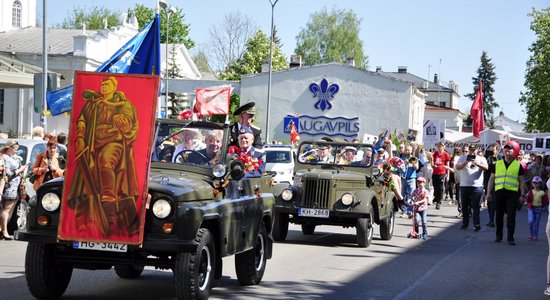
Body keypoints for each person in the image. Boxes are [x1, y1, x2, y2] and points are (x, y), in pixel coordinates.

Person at [67, 76, 140, 237]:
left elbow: (129, 122)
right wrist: (79, 138)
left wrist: (123, 123)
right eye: (102, 83)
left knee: (105, 161)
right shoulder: (93, 103)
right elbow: (82, 121)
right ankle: (87, 222)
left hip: (114, 142)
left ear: (114, 86)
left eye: (107, 84)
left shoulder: (123, 103)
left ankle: (108, 196)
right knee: (89, 177)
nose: (104, 86)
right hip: (92, 144)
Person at [485, 141, 527, 246]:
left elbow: (522, 181)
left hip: (512, 193)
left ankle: (510, 238)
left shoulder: (518, 165)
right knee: (498, 215)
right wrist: (488, 193)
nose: (507, 152)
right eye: (506, 150)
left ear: (513, 152)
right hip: (499, 192)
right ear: (503, 151)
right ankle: (499, 236)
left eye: (510, 151)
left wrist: (522, 195)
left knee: (511, 216)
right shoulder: (497, 164)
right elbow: (491, 179)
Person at [456, 144, 488, 231]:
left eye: (474, 150)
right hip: (464, 185)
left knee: (476, 206)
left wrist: (478, 164)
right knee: (465, 206)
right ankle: (465, 224)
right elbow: (457, 167)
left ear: (476, 150)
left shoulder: (481, 158)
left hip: (477, 186)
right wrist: (465, 162)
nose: (472, 151)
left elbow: (486, 168)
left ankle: (476, 224)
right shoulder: (463, 158)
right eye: (471, 150)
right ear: (468, 150)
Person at [0, 140, 28, 239]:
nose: (16, 150)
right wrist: (21, 169)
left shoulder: (10, 157)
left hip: (15, 187)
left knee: (10, 211)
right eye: (15, 148)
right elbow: (7, 174)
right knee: (6, 210)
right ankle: (4, 232)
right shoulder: (5, 158)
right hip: (9, 187)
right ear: (9, 147)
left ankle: (2, 229)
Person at [526, 176, 548, 241]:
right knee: (531, 221)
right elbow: (527, 199)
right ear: (532, 184)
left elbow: (545, 201)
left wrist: (544, 206)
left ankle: (535, 235)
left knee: (536, 223)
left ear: (540, 184)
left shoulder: (542, 192)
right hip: (531, 208)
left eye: (537, 183)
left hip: (538, 208)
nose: (535, 184)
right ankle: (531, 234)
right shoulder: (530, 192)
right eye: (534, 183)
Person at [432, 141, 451, 210]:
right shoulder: (435, 154)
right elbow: (432, 162)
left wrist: (448, 175)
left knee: (440, 188)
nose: (440, 148)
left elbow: (448, 165)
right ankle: (436, 197)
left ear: (443, 147)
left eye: (441, 146)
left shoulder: (446, 154)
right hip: (435, 172)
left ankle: (438, 202)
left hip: (442, 173)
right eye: (439, 146)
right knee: (435, 187)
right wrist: (433, 165)